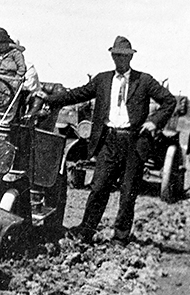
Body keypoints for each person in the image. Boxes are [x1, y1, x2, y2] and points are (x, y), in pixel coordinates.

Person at [44, 35, 177, 246]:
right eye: (116, 55)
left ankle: (120, 237)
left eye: (123, 56)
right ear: (112, 56)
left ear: (130, 57)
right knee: (98, 188)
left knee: (128, 193)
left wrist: (154, 121)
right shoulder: (103, 79)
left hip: (134, 143)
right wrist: (48, 100)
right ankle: (85, 233)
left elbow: (169, 101)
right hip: (108, 141)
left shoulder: (144, 81)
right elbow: (78, 94)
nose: (119, 59)